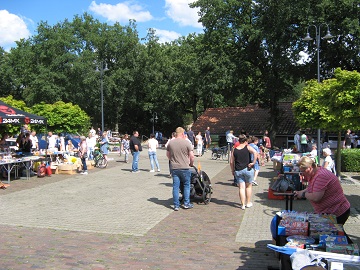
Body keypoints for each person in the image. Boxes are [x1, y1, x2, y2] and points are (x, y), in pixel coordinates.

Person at [294, 156, 350, 225]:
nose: (302, 174)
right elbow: (312, 187)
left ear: (309, 168)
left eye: (303, 171)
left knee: (335, 233)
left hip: (337, 211)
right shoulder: (315, 173)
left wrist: (303, 195)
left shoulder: (321, 176)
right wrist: (300, 192)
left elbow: (316, 197)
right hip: (327, 212)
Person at [166, 127, 195, 211]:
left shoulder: (171, 143)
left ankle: (176, 205)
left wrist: (172, 160)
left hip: (174, 168)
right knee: (186, 185)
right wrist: (191, 164)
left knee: (175, 186)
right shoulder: (186, 143)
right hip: (185, 167)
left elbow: (167, 154)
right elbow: (192, 156)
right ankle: (186, 203)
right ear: (182, 134)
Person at [230, 134, 258, 210]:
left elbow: (231, 162)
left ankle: (242, 204)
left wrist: (232, 170)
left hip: (238, 170)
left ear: (239, 141)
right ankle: (248, 203)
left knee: (241, 188)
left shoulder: (234, 149)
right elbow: (255, 153)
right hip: (248, 169)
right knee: (248, 187)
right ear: (245, 141)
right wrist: (253, 162)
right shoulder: (247, 147)